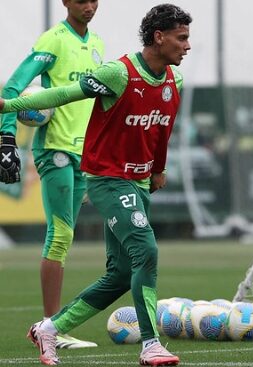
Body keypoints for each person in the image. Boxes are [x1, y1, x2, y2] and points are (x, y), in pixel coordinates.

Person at [0, 3, 192, 366]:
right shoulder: (118, 72)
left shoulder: (174, 81)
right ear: (159, 37)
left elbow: (162, 131)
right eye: (181, 38)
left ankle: (50, 328)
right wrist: (10, 106)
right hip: (106, 179)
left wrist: (158, 169)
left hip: (137, 181)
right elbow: (63, 94)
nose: (187, 45)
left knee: (121, 274)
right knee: (145, 251)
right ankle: (151, 344)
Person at [0, 0, 104, 349]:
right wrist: (6, 136)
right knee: (58, 236)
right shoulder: (53, 40)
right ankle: (50, 329)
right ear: (65, 2)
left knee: (66, 237)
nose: (88, 6)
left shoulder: (98, 45)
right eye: (80, 0)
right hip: (55, 149)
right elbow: (12, 87)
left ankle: (52, 326)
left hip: (84, 154)